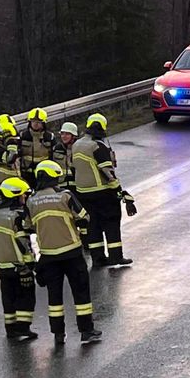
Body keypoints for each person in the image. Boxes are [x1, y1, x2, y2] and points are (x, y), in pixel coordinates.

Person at [26, 160, 101, 344]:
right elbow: (84, 217)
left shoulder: (31, 201)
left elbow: (28, 227)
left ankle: (58, 334)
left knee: (54, 297)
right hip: (71, 252)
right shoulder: (65, 196)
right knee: (81, 293)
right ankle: (86, 330)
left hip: (48, 255)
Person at [72, 113, 135, 267]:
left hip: (83, 193)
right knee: (111, 223)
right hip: (102, 192)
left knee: (93, 226)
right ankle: (115, 256)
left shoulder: (77, 145)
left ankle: (98, 258)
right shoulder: (98, 146)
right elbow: (108, 173)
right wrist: (120, 192)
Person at [0, 177, 38, 340]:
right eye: (23, 196)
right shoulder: (17, 215)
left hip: (3, 265)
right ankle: (23, 327)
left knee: (8, 297)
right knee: (26, 295)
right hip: (20, 265)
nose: (24, 199)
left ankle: (10, 329)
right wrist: (29, 264)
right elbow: (23, 242)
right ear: (15, 195)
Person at [20, 107, 56, 185]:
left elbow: (53, 156)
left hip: (44, 174)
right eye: (33, 121)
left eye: (39, 122)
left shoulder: (49, 137)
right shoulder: (23, 136)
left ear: (43, 123)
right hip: (26, 174)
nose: (35, 124)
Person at [0, 114, 22, 192]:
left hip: (16, 187)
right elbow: (10, 158)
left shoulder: (11, 147)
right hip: (2, 190)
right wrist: (11, 143)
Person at [52, 121, 79, 191]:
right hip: (61, 186)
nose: (64, 136)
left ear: (74, 136)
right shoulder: (56, 149)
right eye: (62, 134)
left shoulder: (80, 148)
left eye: (67, 134)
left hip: (78, 186)